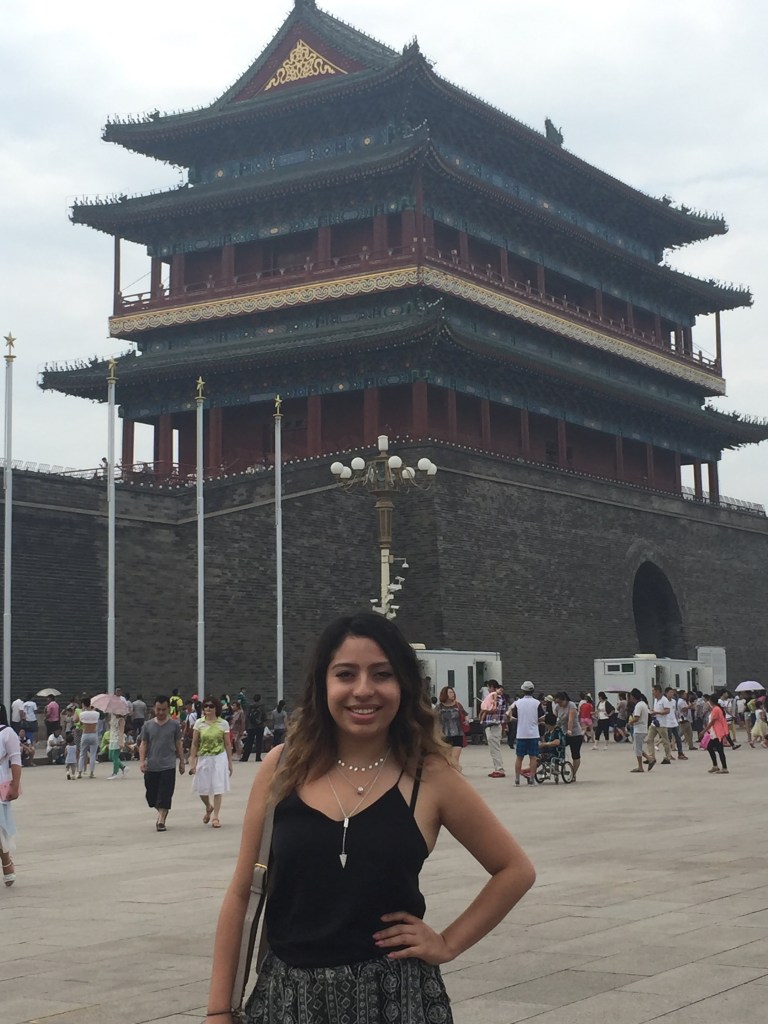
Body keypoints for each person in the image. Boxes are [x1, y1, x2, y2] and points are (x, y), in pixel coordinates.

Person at [203, 612, 536, 1024]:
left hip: (396, 1000)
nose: (363, 690)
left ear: (404, 686)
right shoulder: (283, 768)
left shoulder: (428, 777)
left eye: (381, 674)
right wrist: (218, 1009)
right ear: (322, 684)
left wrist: (448, 943)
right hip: (288, 1001)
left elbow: (514, 869)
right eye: (345, 674)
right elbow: (242, 892)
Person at [139, 696, 185, 831]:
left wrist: (182, 761)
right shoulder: (147, 725)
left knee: (165, 794)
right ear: (154, 708)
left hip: (168, 765)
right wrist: (142, 761)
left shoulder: (174, 725)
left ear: (168, 709)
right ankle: (162, 810)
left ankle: (161, 819)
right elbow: (144, 743)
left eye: (164, 710)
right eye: (158, 709)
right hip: (152, 765)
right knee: (151, 797)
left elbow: (178, 743)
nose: (161, 712)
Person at [189, 698, 234, 828]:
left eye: (211, 706)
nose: (207, 709)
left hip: (219, 757)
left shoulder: (223, 724)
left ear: (216, 708)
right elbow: (194, 743)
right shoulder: (199, 723)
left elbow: (227, 744)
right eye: (205, 706)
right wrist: (192, 761)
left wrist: (230, 763)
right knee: (202, 788)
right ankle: (209, 806)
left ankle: (216, 817)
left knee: (218, 787)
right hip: (204, 757)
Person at [0, 704, 22, 887]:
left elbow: (16, 760)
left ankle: (6, 862)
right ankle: (7, 863)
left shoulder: (7, 733)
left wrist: (15, 785)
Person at [509, 682, 543, 786]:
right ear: (533, 691)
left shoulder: (518, 703)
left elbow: (514, 717)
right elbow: (541, 717)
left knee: (519, 757)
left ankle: (517, 779)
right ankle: (532, 778)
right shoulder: (537, 703)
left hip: (521, 733)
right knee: (533, 757)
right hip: (533, 733)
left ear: (523, 691)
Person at [554, 691, 583, 780]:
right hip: (563, 733)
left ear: (565, 700)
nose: (559, 704)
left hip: (575, 734)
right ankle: (556, 770)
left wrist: (569, 730)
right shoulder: (557, 707)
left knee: (575, 754)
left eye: (560, 702)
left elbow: (570, 720)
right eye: (557, 702)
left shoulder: (571, 705)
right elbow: (557, 720)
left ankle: (573, 774)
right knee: (556, 749)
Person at [480, 680, 506, 778]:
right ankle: (497, 768)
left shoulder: (496, 697)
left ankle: (499, 769)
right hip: (491, 725)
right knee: (494, 749)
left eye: (488, 688)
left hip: (493, 726)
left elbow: (494, 709)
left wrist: (484, 711)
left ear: (492, 687)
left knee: (495, 749)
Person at [436, 686, 466, 767]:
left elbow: (465, 715)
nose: (452, 694)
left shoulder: (458, 705)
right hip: (444, 735)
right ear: (445, 694)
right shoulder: (439, 707)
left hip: (457, 733)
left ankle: (456, 774)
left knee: (455, 758)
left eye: (453, 692)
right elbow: (434, 719)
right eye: (450, 692)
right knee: (447, 759)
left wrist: (466, 720)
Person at [644, 684, 673, 768]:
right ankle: (651, 757)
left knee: (665, 741)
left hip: (662, 724)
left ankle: (667, 757)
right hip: (654, 722)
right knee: (649, 739)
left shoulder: (664, 700)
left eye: (653, 691)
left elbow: (667, 711)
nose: (652, 693)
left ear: (657, 691)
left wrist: (657, 713)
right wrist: (653, 711)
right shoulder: (656, 700)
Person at [704, 694, 729, 774]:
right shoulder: (715, 709)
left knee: (719, 750)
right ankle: (715, 766)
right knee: (710, 747)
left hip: (717, 732)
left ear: (711, 701)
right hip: (714, 732)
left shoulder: (716, 709)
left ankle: (724, 767)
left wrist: (704, 731)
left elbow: (712, 722)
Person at [628, 688, 650, 772]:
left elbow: (636, 717)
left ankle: (640, 766)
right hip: (643, 728)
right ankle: (649, 758)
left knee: (637, 749)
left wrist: (630, 722)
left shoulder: (638, 705)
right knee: (637, 747)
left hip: (639, 729)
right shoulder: (643, 704)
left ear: (633, 697)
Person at [77, 698, 100, 778]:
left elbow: (80, 723)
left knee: (82, 754)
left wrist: (83, 711)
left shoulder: (82, 714)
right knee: (93, 754)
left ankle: (79, 772)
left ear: (83, 704)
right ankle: (91, 773)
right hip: (93, 734)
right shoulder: (96, 713)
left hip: (85, 734)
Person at [664, 687, 688, 760]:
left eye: (673, 692)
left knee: (678, 738)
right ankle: (669, 754)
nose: (672, 694)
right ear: (666, 693)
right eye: (670, 692)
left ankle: (680, 753)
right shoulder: (664, 701)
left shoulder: (674, 701)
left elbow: (675, 711)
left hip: (674, 722)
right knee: (668, 739)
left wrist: (677, 719)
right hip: (667, 723)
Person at [240, 695, 266, 762]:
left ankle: (245, 757)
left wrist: (246, 727)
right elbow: (264, 716)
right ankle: (258, 757)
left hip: (251, 727)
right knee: (259, 742)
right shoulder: (262, 706)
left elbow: (247, 716)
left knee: (249, 742)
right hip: (260, 726)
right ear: (260, 699)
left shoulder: (250, 706)